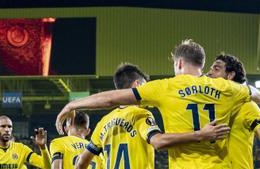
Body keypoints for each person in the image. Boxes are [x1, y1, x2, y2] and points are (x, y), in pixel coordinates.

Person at [56, 39, 260, 169]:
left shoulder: (165, 87)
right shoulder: (227, 89)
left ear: (178, 63)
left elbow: (111, 98)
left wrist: (73, 104)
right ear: (202, 64)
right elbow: (255, 93)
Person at [75, 63, 230, 169]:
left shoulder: (103, 122)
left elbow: (81, 162)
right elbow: (158, 142)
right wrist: (200, 134)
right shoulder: (141, 114)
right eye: (145, 84)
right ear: (137, 85)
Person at [207, 54, 260, 169]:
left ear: (230, 75)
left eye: (216, 69)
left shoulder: (247, 106)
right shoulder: (207, 107)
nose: (209, 73)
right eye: (210, 69)